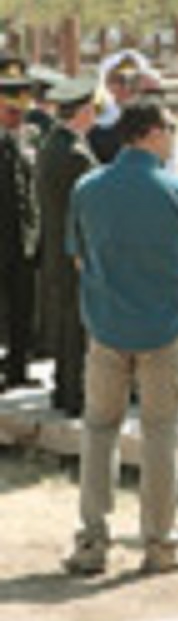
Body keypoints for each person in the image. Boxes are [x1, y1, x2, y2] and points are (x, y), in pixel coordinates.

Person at [64, 96, 178, 578]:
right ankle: (160, 543)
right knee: (161, 434)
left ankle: (92, 541)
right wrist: (173, 299)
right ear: (151, 132)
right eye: (168, 129)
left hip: (107, 324)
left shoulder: (89, 187)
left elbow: (78, 256)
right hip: (166, 327)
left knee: (98, 431)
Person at [32, 78, 95, 421]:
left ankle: (63, 387)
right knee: (76, 323)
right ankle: (74, 392)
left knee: (66, 318)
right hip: (74, 250)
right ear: (83, 111)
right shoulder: (74, 155)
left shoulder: (53, 144)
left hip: (57, 245)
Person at [0, 66, 37, 385]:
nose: (18, 118)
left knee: (21, 309)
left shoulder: (22, 139)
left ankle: (17, 370)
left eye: (22, 111)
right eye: (12, 111)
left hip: (20, 242)